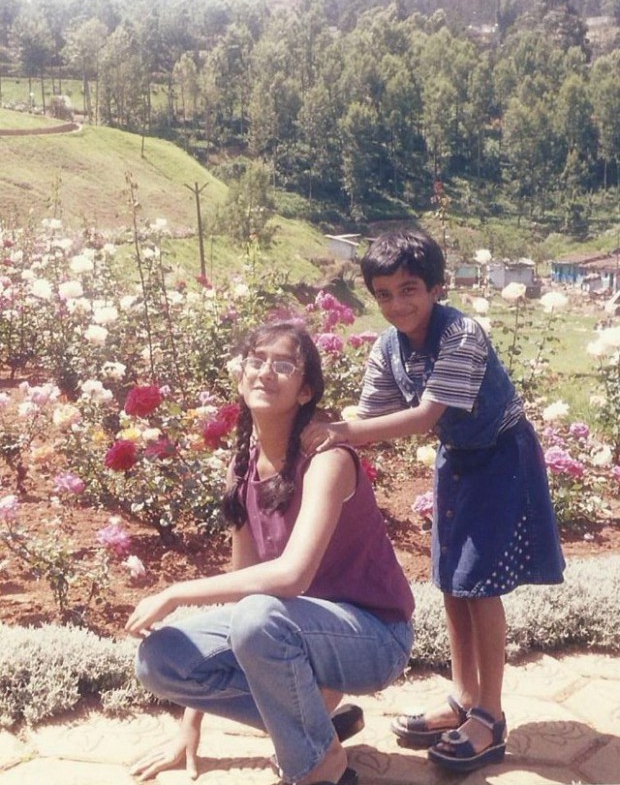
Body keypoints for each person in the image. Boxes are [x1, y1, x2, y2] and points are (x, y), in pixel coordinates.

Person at [303, 229, 565, 773]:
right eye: (384, 294)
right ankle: (462, 697)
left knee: (481, 584)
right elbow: (368, 414)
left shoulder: (462, 333)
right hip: (458, 461)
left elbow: (424, 417)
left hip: (501, 458)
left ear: (438, 287)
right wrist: (311, 424)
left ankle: (489, 717)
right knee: (450, 580)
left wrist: (345, 434)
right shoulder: (388, 346)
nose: (398, 305)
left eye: (410, 289)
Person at [125, 321, 414, 785]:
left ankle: (320, 768)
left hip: (374, 638)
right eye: (255, 361)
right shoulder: (242, 466)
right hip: (293, 626)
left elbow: (291, 577)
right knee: (160, 659)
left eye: (283, 365)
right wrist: (189, 727)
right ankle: (312, 730)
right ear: (241, 375)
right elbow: (245, 589)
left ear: (306, 391)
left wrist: (178, 591)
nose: (264, 373)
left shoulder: (328, 461)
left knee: (262, 618)